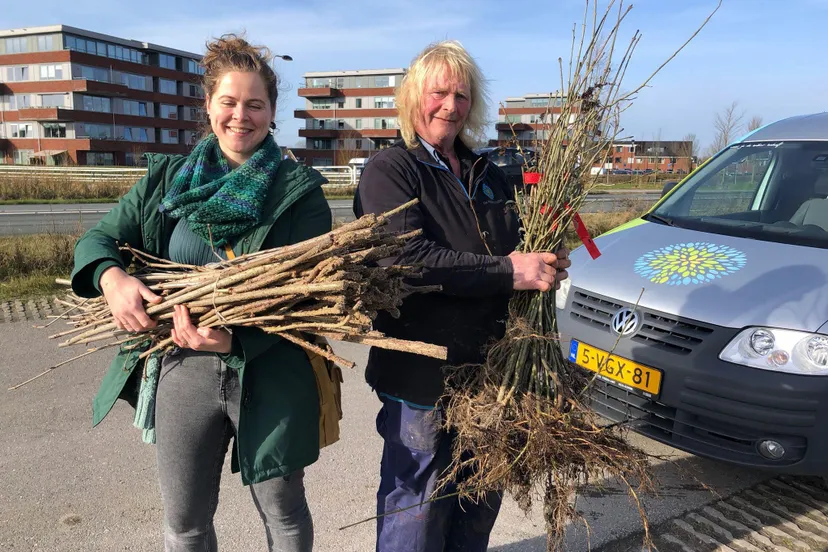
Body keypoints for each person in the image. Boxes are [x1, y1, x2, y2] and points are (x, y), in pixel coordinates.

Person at [70, 34, 331, 552]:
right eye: (229, 102)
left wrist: (236, 340)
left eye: (255, 104)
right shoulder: (167, 180)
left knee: (283, 511)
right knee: (185, 520)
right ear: (209, 105)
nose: (241, 116)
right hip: (181, 365)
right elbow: (97, 240)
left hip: (270, 367)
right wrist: (112, 278)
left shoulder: (299, 191)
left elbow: (309, 297)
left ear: (271, 112)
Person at [353, 40, 571, 552]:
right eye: (439, 93)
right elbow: (405, 260)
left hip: (492, 373)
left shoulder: (487, 173)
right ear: (414, 97)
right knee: (418, 506)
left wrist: (543, 260)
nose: (450, 106)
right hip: (422, 373)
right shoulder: (392, 170)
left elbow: (514, 248)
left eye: (462, 95)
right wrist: (508, 271)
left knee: (478, 500)